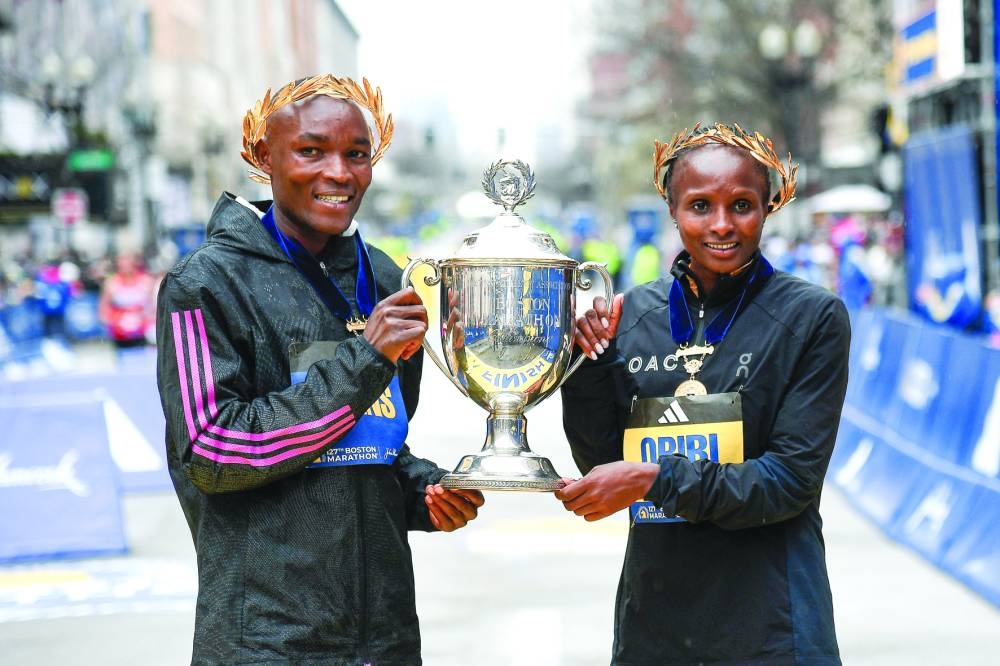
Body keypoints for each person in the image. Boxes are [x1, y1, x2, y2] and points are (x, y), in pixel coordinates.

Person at [155, 74, 485, 665]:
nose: (339, 173)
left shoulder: (382, 278)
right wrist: (366, 360)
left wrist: (422, 490)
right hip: (264, 644)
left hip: (384, 640)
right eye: (311, 151)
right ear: (263, 156)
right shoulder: (204, 284)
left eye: (356, 154)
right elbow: (212, 452)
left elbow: (373, 442)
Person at [555, 123, 849, 664]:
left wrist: (657, 476)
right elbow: (601, 463)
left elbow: (788, 481)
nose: (721, 225)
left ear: (770, 205)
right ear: (671, 208)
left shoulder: (813, 317)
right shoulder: (630, 315)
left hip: (772, 631)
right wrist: (588, 365)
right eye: (699, 206)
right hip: (655, 630)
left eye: (742, 204)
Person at [98, 249, 156, 348]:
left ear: (135, 262)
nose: (124, 264)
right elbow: (103, 311)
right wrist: (116, 323)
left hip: (142, 334)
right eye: (121, 261)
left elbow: (154, 308)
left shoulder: (146, 281)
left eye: (127, 260)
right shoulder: (111, 283)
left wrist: (144, 321)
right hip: (119, 336)